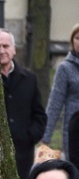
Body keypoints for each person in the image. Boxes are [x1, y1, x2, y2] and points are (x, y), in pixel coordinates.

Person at [0, 29, 47, 179]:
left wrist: (30, 136)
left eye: (5, 46)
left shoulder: (29, 79)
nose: (1, 51)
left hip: (23, 153)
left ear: (13, 49)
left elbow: (39, 114)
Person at [41, 24, 79, 165]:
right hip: (74, 132)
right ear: (72, 41)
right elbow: (55, 103)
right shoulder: (65, 68)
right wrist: (46, 136)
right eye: (77, 38)